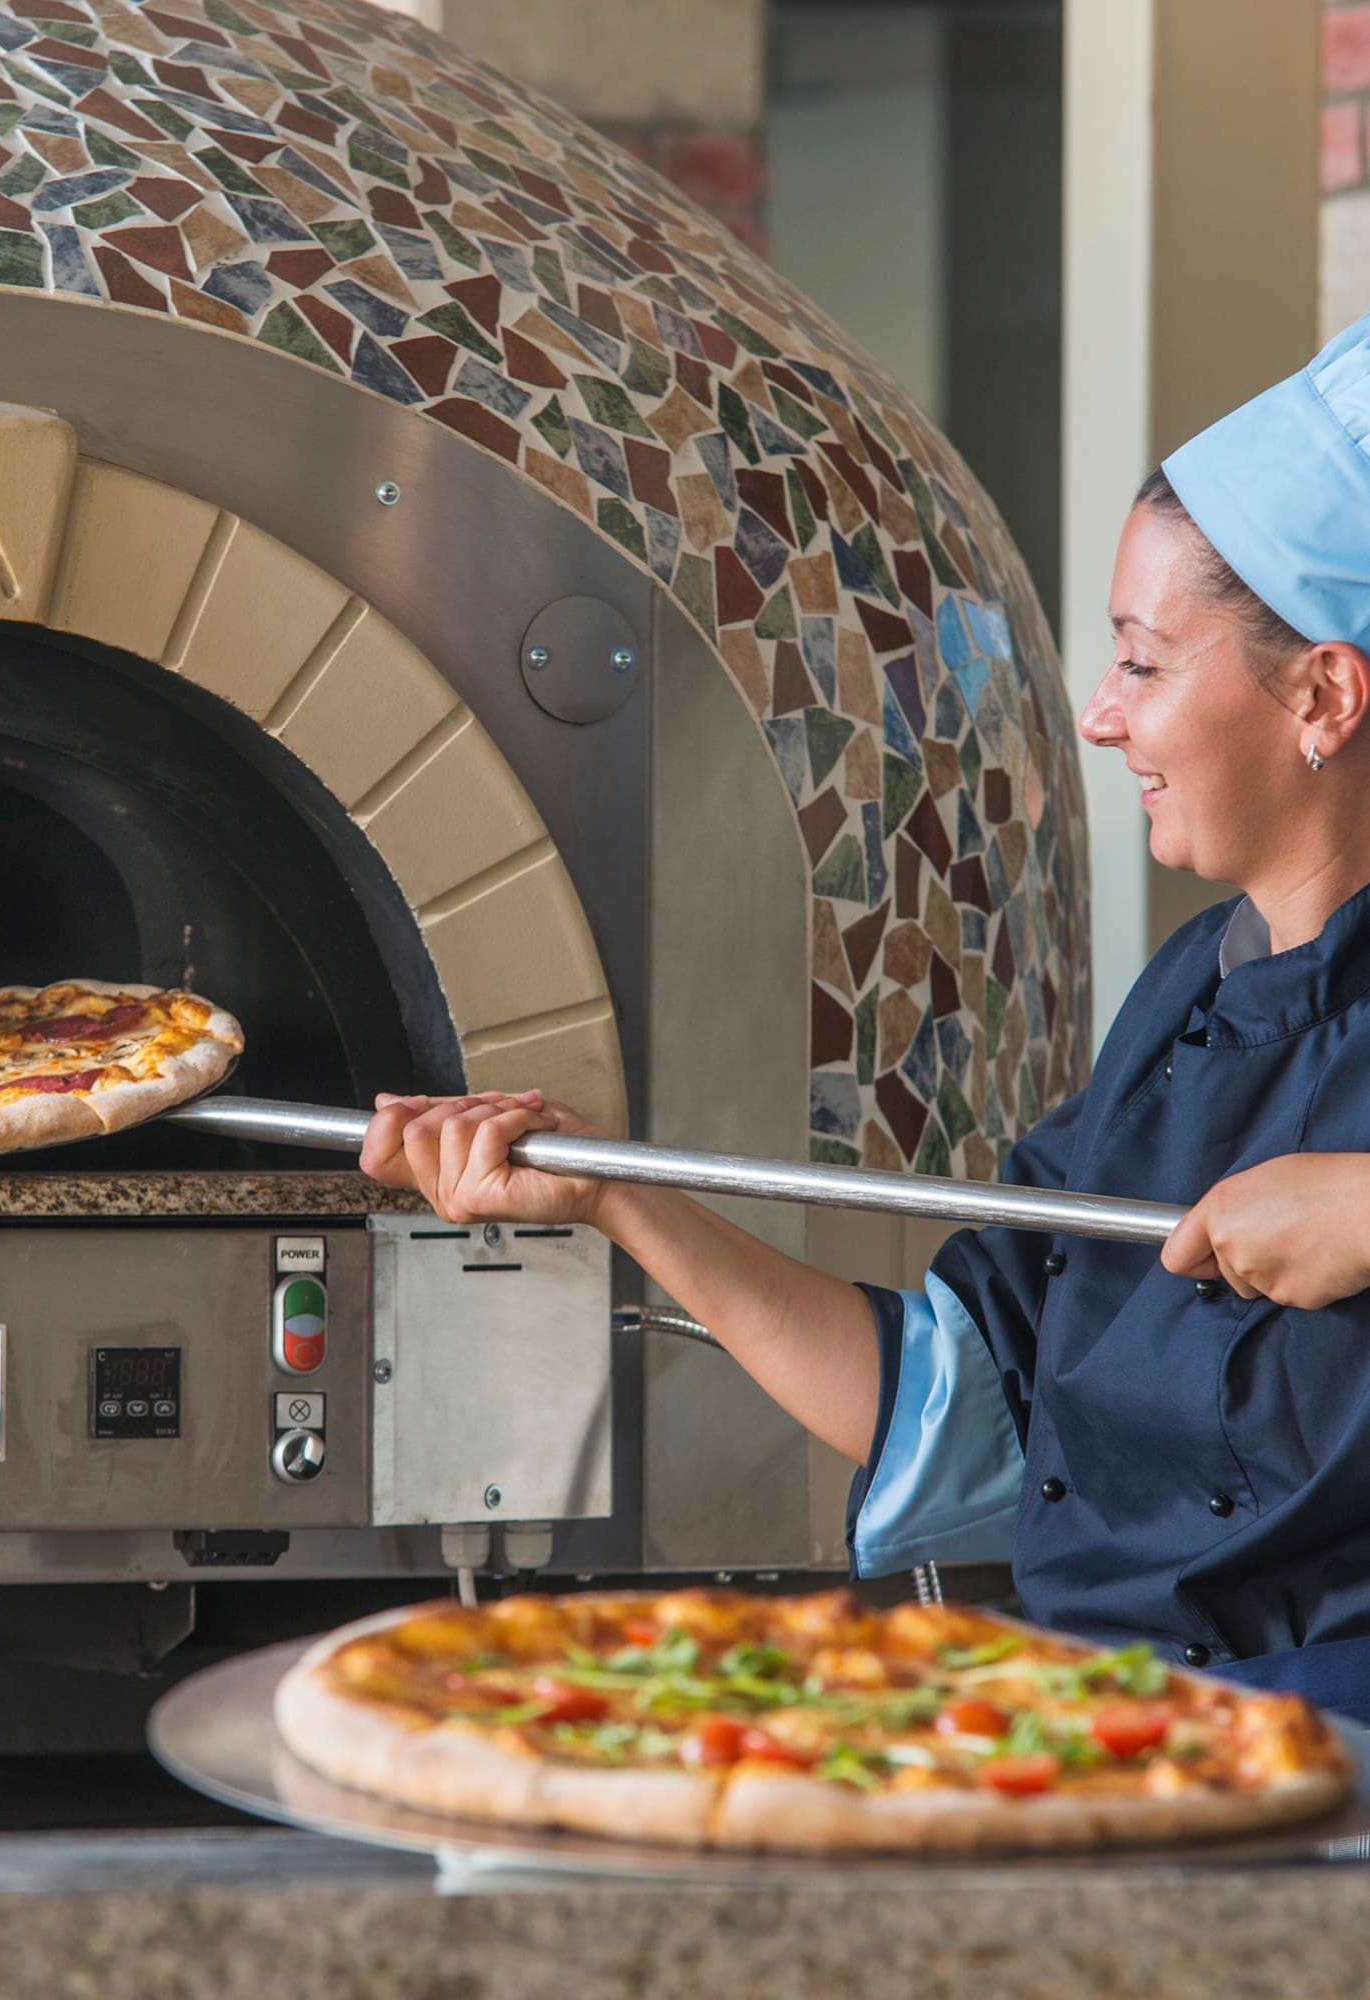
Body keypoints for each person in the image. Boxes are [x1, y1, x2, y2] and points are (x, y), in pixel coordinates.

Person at [362, 315, 1370, 1725]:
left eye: (1141, 663)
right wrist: (614, 1199)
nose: (1096, 715)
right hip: (1122, 1729)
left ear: (1321, 694)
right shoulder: (1187, 989)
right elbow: (967, 1396)